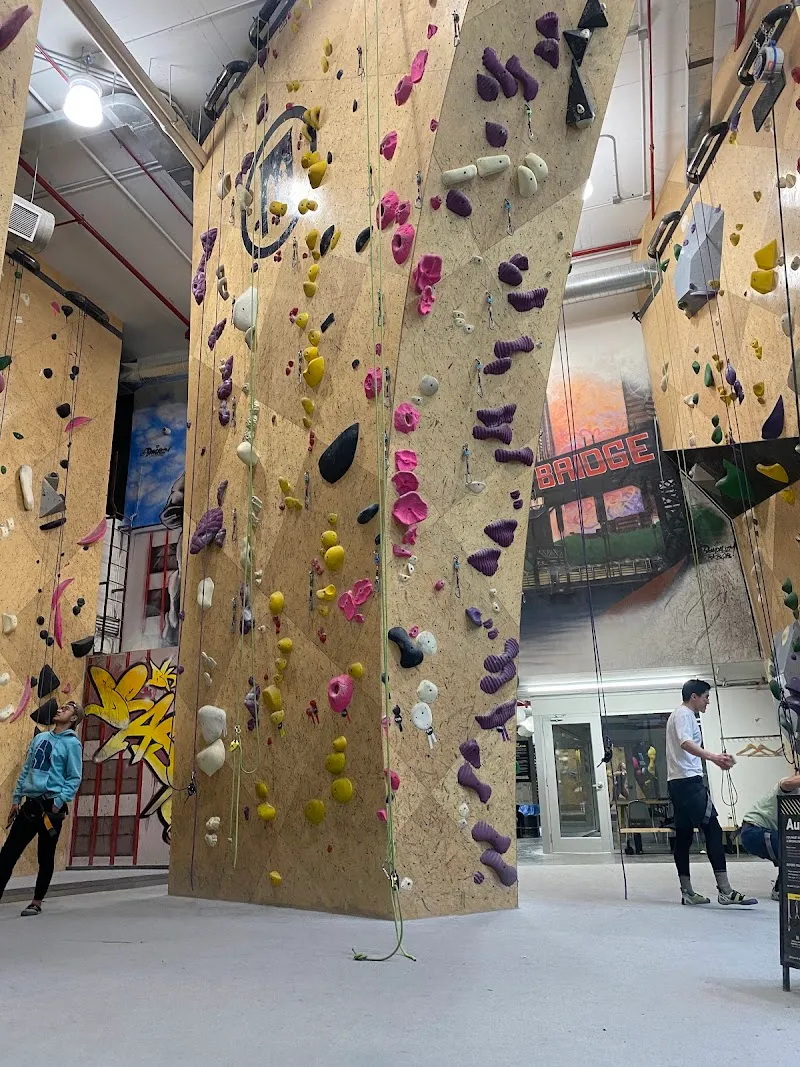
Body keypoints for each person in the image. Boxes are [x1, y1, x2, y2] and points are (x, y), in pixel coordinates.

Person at [666, 679, 757, 907]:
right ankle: (725, 891)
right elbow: (686, 743)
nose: (708, 701)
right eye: (706, 697)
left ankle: (687, 891)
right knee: (713, 830)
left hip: (679, 782)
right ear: (694, 696)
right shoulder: (684, 714)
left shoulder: (681, 715)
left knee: (685, 836)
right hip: (688, 782)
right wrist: (715, 758)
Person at [0, 700, 84, 916]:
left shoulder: (72, 744)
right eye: (61, 707)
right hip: (30, 804)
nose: (59, 709)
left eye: (66, 709)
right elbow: (27, 768)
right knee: (8, 853)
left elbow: (74, 777)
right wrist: (17, 798)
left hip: (50, 807)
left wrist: (57, 803)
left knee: (45, 856)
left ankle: (36, 901)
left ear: (74, 719)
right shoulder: (40, 738)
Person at [740, 773, 800, 901]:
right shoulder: (791, 786)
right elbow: (786, 784)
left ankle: (782, 888)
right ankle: (781, 890)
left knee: (793, 847)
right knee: (793, 850)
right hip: (755, 832)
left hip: (762, 832)